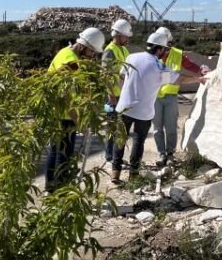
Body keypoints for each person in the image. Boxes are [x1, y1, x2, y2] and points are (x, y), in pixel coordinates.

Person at [111, 30, 206, 185]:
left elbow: (121, 77)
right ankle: (133, 175)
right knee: (138, 141)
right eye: (164, 50)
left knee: (120, 139)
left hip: (124, 107)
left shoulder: (131, 57)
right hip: (143, 112)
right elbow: (179, 79)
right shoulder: (158, 66)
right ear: (160, 49)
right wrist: (198, 79)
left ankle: (115, 173)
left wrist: (124, 95)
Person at [45, 26, 105, 192]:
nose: (93, 56)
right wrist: (78, 119)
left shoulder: (67, 53)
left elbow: (78, 87)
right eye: (92, 52)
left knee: (57, 150)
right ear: (85, 46)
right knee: (64, 154)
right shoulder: (70, 61)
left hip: (59, 112)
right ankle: (59, 190)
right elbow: (65, 95)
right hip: (63, 115)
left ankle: (51, 188)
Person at [152, 26, 210, 167]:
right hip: (154, 97)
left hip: (171, 96)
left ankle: (170, 153)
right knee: (157, 128)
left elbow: (188, 64)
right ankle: (161, 153)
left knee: (171, 127)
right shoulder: (152, 55)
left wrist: (200, 70)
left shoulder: (177, 54)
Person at [102, 18, 132, 162]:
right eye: (126, 35)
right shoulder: (109, 51)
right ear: (118, 35)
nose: (127, 38)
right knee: (112, 127)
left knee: (121, 128)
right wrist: (110, 94)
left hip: (123, 95)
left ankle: (116, 156)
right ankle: (110, 156)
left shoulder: (124, 49)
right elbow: (105, 75)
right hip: (113, 97)